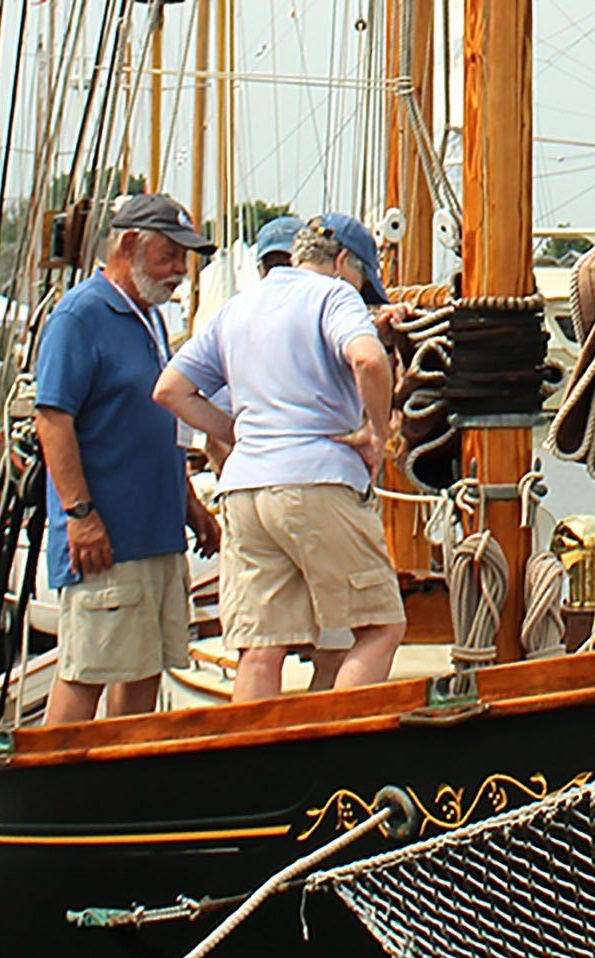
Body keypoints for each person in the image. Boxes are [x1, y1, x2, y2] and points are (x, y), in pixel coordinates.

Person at [153, 211, 405, 702]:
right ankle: (334, 752)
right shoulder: (334, 295)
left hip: (246, 492)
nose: (363, 295)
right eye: (363, 282)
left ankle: (256, 767)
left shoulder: (238, 307)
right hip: (317, 481)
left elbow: (170, 390)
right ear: (342, 262)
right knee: (379, 629)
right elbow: (368, 360)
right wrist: (376, 433)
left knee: (260, 648)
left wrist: (242, 434)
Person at [35, 193, 222, 724]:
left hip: (156, 535)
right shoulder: (81, 315)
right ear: (132, 245)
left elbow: (160, 422)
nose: (180, 273)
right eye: (170, 256)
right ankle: (55, 790)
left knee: (143, 669)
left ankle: (120, 788)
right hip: (107, 541)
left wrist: (190, 504)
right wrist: (80, 515)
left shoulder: (149, 319)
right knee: (88, 670)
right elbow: (53, 419)